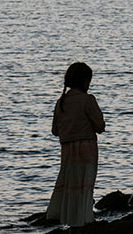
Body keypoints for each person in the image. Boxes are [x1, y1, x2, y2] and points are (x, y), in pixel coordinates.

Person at [46, 62, 106, 227]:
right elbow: (99, 126)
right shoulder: (88, 99)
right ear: (86, 81)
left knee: (70, 185)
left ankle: (71, 221)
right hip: (87, 148)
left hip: (67, 150)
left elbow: (54, 130)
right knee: (85, 184)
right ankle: (85, 219)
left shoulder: (61, 102)